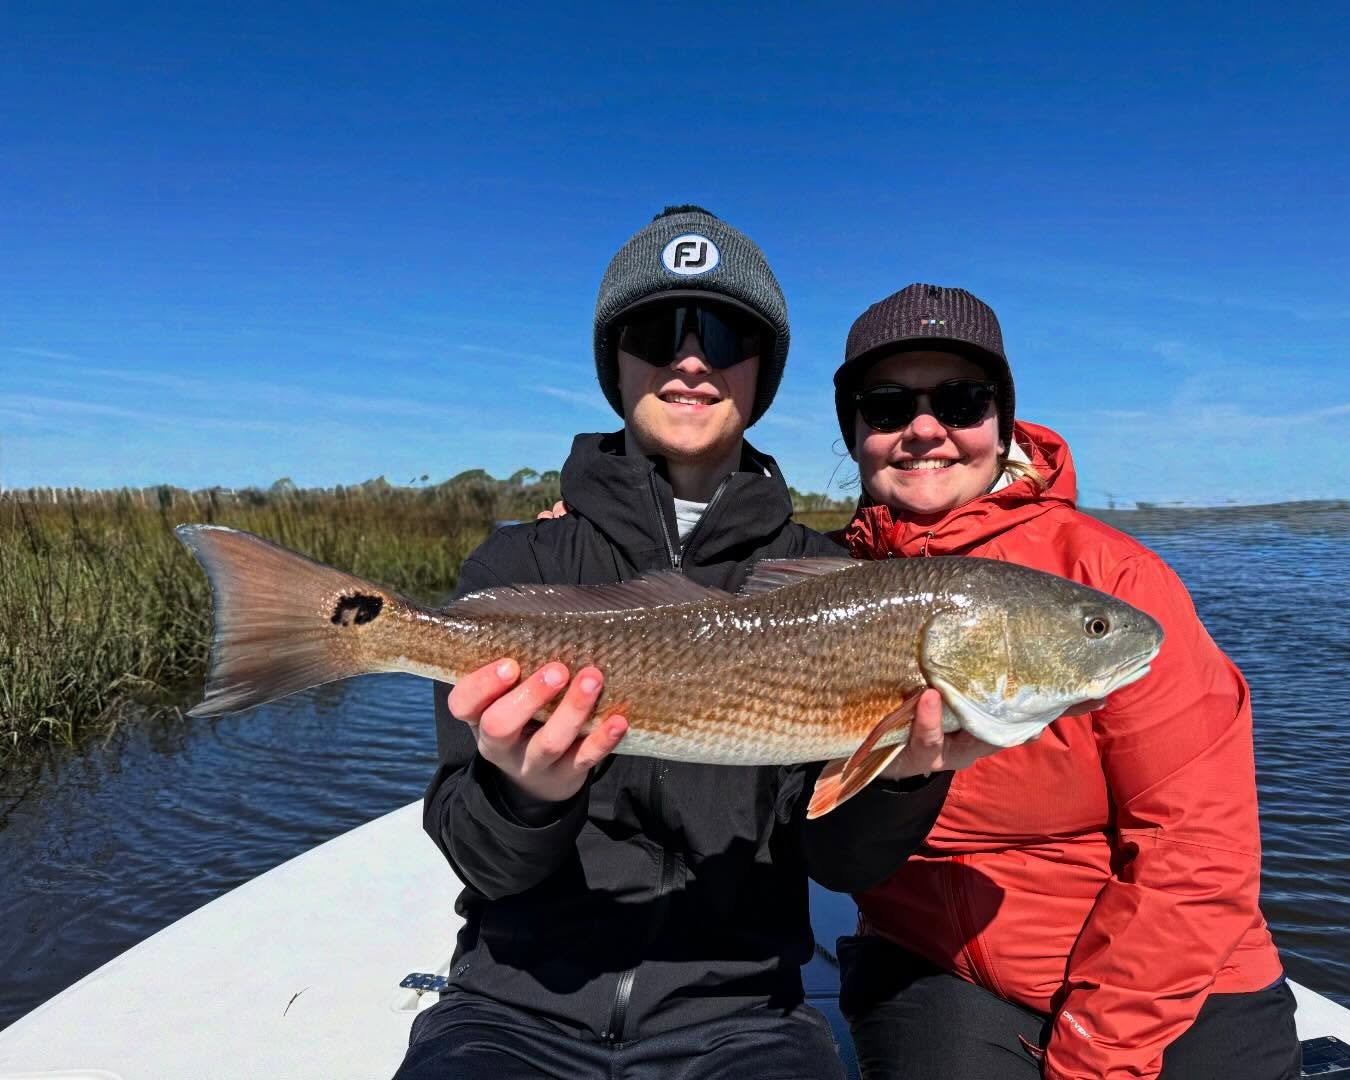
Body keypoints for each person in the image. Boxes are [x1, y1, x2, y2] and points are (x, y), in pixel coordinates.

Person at [393, 210, 969, 1080]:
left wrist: (907, 777)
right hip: (511, 1005)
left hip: (744, 1022)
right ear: (613, 361)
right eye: (657, 331)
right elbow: (481, 861)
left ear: (763, 368)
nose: (691, 359)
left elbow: (838, 864)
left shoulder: (832, 579)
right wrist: (524, 796)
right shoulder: (517, 564)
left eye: (726, 332)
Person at [829, 284, 1302, 1080]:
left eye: (961, 399)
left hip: (1176, 976)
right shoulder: (829, 576)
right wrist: (574, 539)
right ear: (854, 433)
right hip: (940, 966)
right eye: (884, 406)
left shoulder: (1114, 579)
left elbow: (1198, 851)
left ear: (1001, 421)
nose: (922, 429)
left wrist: (1096, 1053)